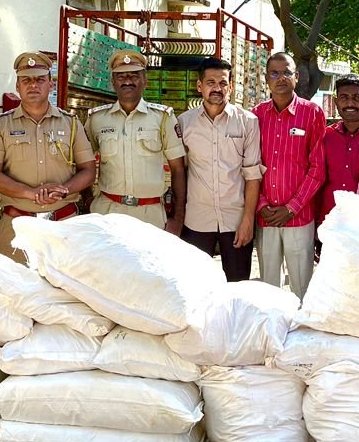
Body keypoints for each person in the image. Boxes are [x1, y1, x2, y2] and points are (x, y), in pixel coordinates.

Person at [0, 51, 96, 258]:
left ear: (50, 85)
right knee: (16, 278)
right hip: (17, 227)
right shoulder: (0, 125)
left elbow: (88, 170)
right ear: (18, 87)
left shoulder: (70, 123)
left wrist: (63, 190)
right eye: (26, 80)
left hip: (63, 226)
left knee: (63, 279)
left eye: (40, 80)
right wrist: (31, 193)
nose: (33, 85)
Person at [179, 56, 263, 280]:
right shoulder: (184, 123)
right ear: (200, 86)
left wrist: (248, 221)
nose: (217, 88)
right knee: (195, 286)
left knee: (237, 287)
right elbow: (180, 172)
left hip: (235, 220)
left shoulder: (248, 122)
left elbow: (252, 175)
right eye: (211, 82)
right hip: (196, 220)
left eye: (223, 83)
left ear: (231, 87)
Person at [86, 49, 187, 232]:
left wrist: (177, 219)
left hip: (151, 216)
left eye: (134, 76)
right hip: (107, 213)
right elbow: (83, 164)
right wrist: (87, 202)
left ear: (145, 81)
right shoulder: (96, 119)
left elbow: (178, 169)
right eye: (121, 76)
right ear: (113, 82)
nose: (127, 81)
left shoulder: (163, 118)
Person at [253, 51, 327, 296]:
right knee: (268, 289)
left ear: (297, 77)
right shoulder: (256, 115)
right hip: (266, 216)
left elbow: (317, 168)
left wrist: (292, 207)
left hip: (299, 217)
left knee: (302, 289)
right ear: (266, 79)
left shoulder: (312, 113)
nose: (281, 78)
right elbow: (250, 164)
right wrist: (261, 205)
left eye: (287, 72)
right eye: (274, 73)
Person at [318, 73, 359, 229]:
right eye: (343, 98)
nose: (350, 103)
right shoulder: (326, 136)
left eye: (357, 98)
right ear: (336, 102)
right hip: (330, 221)